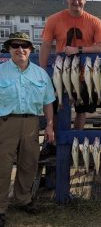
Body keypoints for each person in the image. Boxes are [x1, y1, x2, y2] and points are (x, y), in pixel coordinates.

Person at [0, 32, 55, 227]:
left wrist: (49, 125)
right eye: (15, 45)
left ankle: (22, 199)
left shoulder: (40, 74)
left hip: (32, 123)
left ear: (31, 50)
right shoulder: (0, 71)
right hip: (5, 124)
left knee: (29, 164)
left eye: (24, 46)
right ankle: (0, 208)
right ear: (9, 49)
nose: (20, 49)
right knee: (2, 167)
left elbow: (48, 101)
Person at [39, 0, 101, 130]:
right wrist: (42, 73)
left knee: (81, 110)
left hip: (85, 73)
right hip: (60, 72)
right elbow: (45, 46)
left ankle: (76, 139)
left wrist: (79, 50)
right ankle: (54, 143)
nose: (76, 1)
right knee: (56, 107)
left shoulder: (95, 21)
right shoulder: (53, 19)